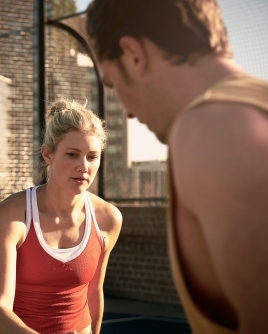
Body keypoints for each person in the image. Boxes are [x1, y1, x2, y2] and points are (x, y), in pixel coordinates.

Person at [85, 1, 268, 333]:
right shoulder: (250, 110)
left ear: (133, 54)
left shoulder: (214, 127)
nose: (125, 111)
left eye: (111, 84)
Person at [0, 99, 122, 334]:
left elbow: (94, 294)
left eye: (92, 156)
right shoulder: (12, 215)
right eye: (72, 154)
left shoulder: (108, 219)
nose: (83, 166)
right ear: (48, 154)